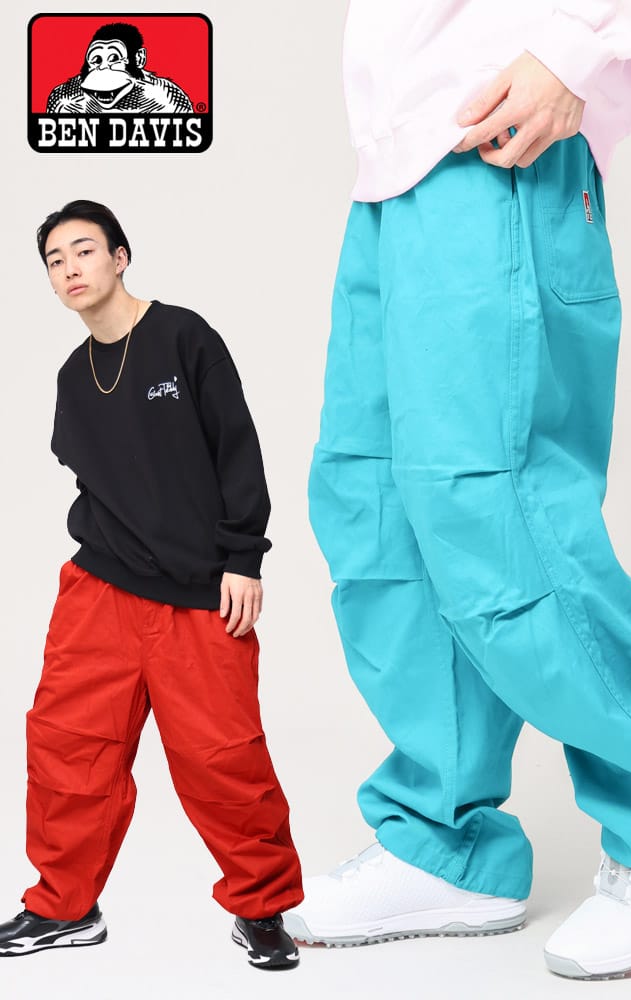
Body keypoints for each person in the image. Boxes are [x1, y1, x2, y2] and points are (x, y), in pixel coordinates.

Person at [283, 0, 631, 980]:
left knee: (493, 506)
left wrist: (578, 45)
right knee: (377, 508)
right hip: (398, 160)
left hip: (501, 140)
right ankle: (445, 842)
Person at [0, 200, 302, 972]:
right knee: (68, 749)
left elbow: (237, 447)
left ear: (120, 257)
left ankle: (261, 908)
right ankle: (63, 907)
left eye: (84, 250)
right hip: (99, 591)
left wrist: (243, 557)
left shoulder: (183, 337)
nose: (70, 269)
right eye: (55, 260)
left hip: (200, 595)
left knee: (223, 760)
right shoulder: (72, 377)